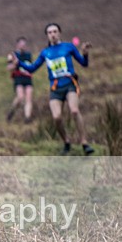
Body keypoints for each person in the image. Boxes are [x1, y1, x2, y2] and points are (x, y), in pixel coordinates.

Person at [13, 23, 94, 155]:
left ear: (59, 33)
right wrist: (19, 63)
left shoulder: (69, 47)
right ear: (47, 35)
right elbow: (32, 68)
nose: (53, 34)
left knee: (74, 111)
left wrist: (85, 53)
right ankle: (66, 142)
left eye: (55, 31)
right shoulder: (45, 52)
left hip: (69, 85)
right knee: (57, 117)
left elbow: (84, 64)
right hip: (55, 88)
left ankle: (84, 143)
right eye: (50, 32)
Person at [5, 36, 34, 124]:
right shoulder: (12, 55)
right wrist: (15, 64)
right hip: (18, 78)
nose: (23, 46)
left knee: (29, 98)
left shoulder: (28, 55)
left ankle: (27, 118)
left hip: (28, 78)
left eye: (24, 44)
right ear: (17, 45)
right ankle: (12, 111)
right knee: (20, 97)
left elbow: (30, 66)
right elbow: (8, 68)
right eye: (21, 44)